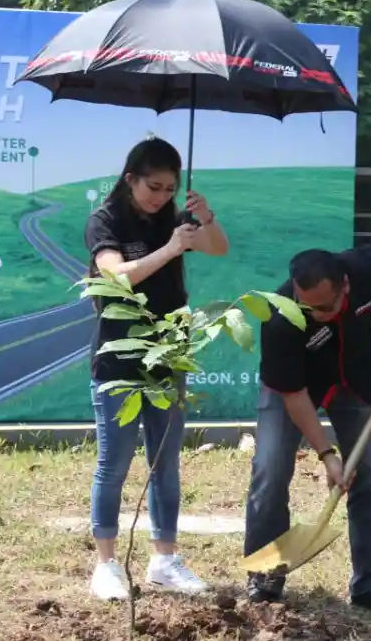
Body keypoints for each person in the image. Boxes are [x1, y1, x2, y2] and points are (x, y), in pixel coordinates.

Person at [84, 137, 231, 601]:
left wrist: (203, 218)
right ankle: (106, 564)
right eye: (154, 186)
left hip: (169, 354)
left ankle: (165, 558)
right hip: (120, 358)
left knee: (165, 462)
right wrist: (169, 250)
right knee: (115, 461)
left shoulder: (175, 216)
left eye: (170, 189)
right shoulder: (104, 220)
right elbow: (114, 276)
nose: (161, 196)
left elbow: (219, 248)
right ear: (130, 178)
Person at [244, 245, 371, 614]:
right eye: (308, 306)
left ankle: (369, 584)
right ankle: (265, 578)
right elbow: (294, 397)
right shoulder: (281, 317)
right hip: (292, 388)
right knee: (270, 472)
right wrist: (328, 456)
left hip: (357, 381)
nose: (318, 315)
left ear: (345, 284)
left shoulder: (366, 268)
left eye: (326, 306)